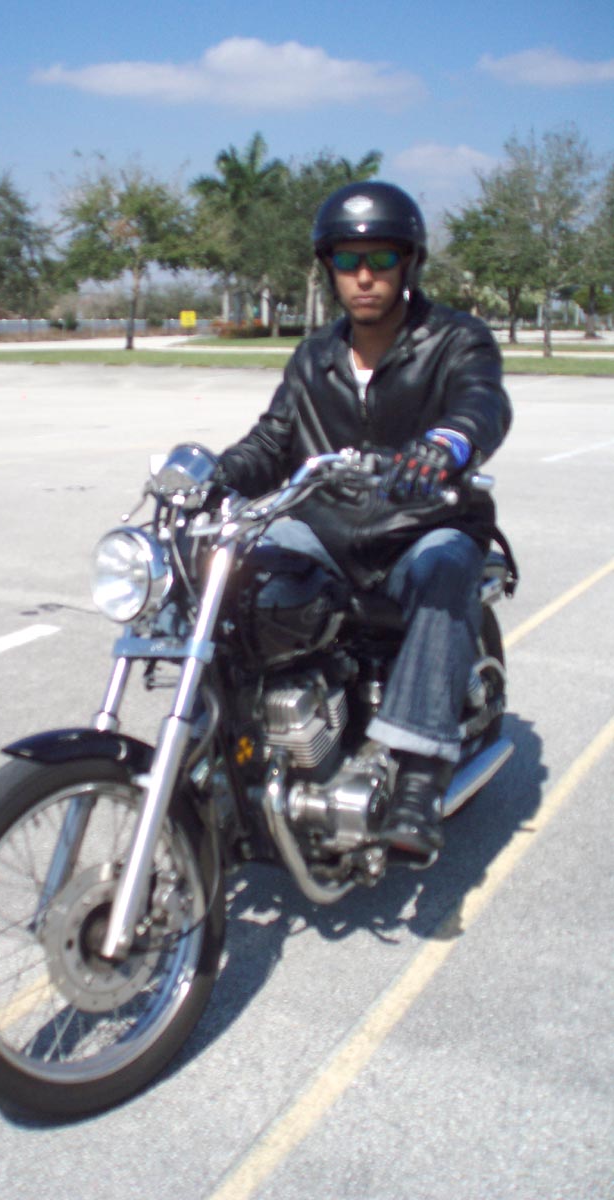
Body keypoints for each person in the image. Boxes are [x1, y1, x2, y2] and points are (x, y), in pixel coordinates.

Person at [214, 180, 512, 865]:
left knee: (445, 567)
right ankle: (238, 740)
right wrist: (217, 476)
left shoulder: (456, 339)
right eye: (348, 261)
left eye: (381, 258)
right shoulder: (314, 356)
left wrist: (449, 443)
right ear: (330, 268)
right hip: (326, 529)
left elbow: (483, 403)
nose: (365, 275)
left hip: (424, 524)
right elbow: (273, 440)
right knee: (232, 569)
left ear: (409, 262)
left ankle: (419, 771)